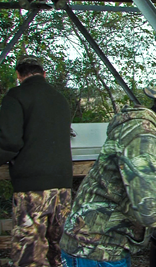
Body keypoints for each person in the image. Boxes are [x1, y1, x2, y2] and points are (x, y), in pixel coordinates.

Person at [60, 69, 156, 266]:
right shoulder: (143, 134)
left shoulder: (148, 128)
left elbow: (154, 180)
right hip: (94, 249)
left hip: (102, 246)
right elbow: (149, 209)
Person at [0, 55, 73, 266]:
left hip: (32, 190)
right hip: (63, 187)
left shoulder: (16, 96)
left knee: (30, 255)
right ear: (43, 74)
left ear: (18, 75)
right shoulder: (59, 98)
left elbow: (9, 141)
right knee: (60, 253)